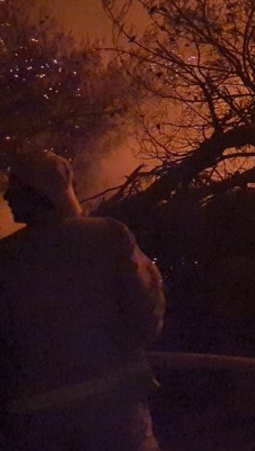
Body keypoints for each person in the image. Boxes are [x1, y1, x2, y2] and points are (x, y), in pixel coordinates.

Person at [0, 148, 165, 451]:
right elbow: (147, 316)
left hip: (34, 430)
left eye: (15, 187)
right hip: (117, 421)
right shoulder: (108, 237)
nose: (7, 197)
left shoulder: (6, 259)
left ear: (39, 192)